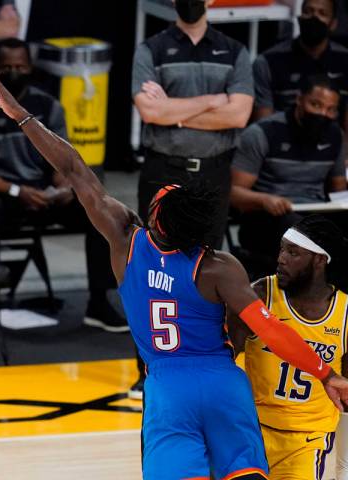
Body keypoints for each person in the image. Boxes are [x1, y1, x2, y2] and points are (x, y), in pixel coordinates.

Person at [0, 64, 348, 480]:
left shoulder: (126, 239)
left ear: (155, 218)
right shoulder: (218, 265)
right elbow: (270, 331)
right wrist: (325, 373)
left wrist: (23, 118)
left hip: (168, 386)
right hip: (223, 384)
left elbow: (72, 168)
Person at [131, 0, 254, 397]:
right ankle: (148, 367)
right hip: (165, 168)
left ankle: (206, 358)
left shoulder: (234, 51)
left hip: (213, 171)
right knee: (151, 265)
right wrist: (212, 100)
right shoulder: (151, 48)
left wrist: (174, 110)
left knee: (206, 269)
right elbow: (150, 113)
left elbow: (238, 115)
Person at [0, 38, 125, 331]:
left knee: (99, 208)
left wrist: (63, 189)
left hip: (43, 194)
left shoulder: (48, 107)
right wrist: (17, 191)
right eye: (7, 67)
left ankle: (99, 303)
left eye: (20, 66)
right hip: (5, 195)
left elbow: (64, 162)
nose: (14, 72)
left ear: (31, 68)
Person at [229, 215, 348, 480]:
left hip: (307, 441)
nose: (281, 258)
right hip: (252, 430)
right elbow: (222, 360)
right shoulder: (260, 294)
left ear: (320, 260)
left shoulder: (346, 312)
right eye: (281, 249)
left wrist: (344, 466)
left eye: (293, 252)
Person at [231, 74, 346, 271]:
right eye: (316, 105)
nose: (323, 114)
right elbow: (233, 192)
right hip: (267, 217)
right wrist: (264, 200)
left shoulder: (335, 135)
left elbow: (338, 190)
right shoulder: (263, 133)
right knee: (302, 230)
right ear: (299, 100)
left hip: (315, 212)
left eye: (331, 110)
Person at [253, 0, 348, 139]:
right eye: (308, 12)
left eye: (322, 13)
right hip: (282, 145)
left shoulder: (345, 60)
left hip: (332, 147)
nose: (314, 18)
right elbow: (263, 125)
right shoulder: (268, 61)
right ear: (299, 17)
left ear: (333, 24)